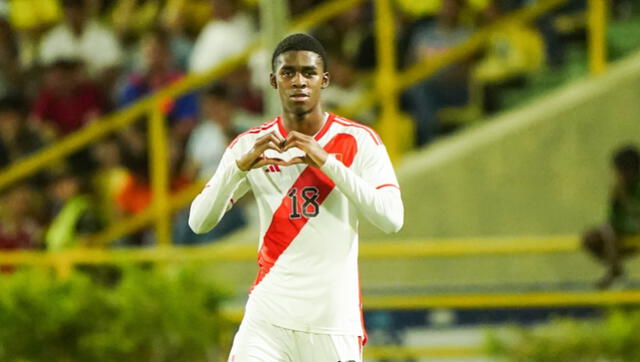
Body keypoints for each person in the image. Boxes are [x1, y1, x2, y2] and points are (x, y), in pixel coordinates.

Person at [189, 33, 404, 361]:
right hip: (268, 319)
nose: (299, 81)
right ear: (273, 81)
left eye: (309, 72)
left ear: (324, 80)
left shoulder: (358, 141)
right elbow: (198, 222)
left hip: (332, 324)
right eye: (288, 73)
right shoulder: (251, 145)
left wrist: (326, 161)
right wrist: (236, 169)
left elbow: (392, 220)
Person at [582, 145, 640, 289]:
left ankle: (614, 270)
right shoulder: (618, 191)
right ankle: (615, 268)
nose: (617, 176)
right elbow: (613, 220)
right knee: (592, 238)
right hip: (627, 235)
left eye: (619, 171)